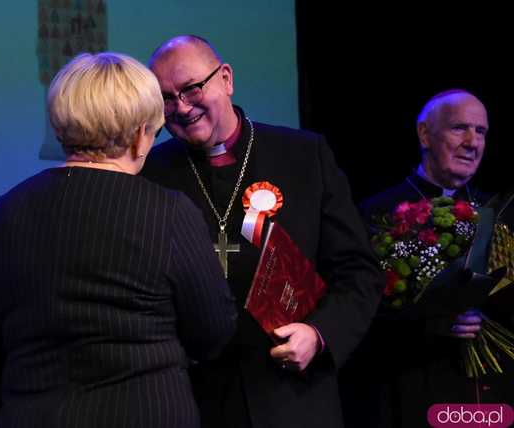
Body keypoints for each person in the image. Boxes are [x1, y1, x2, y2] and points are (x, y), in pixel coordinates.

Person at [0, 52, 237, 428]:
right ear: (140, 136)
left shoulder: (8, 209)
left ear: (60, 129)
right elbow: (212, 332)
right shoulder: (168, 213)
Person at [141, 35, 384, 428]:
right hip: (193, 401)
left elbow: (359, 272)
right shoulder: (152, 172)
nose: (181, 108)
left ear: (226, 78)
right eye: (167, 98)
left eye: (190, 89)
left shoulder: (304, 155)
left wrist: (320, 334)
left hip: (295, 398)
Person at [341, 89, 514, 427]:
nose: (472, 142)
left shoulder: (501, 212)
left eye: (481, 132)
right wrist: (433, 320)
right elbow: (359, 313)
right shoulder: (378, 214)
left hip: (493, 394)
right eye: (459, 128)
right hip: (413, 390)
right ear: (424, 134)